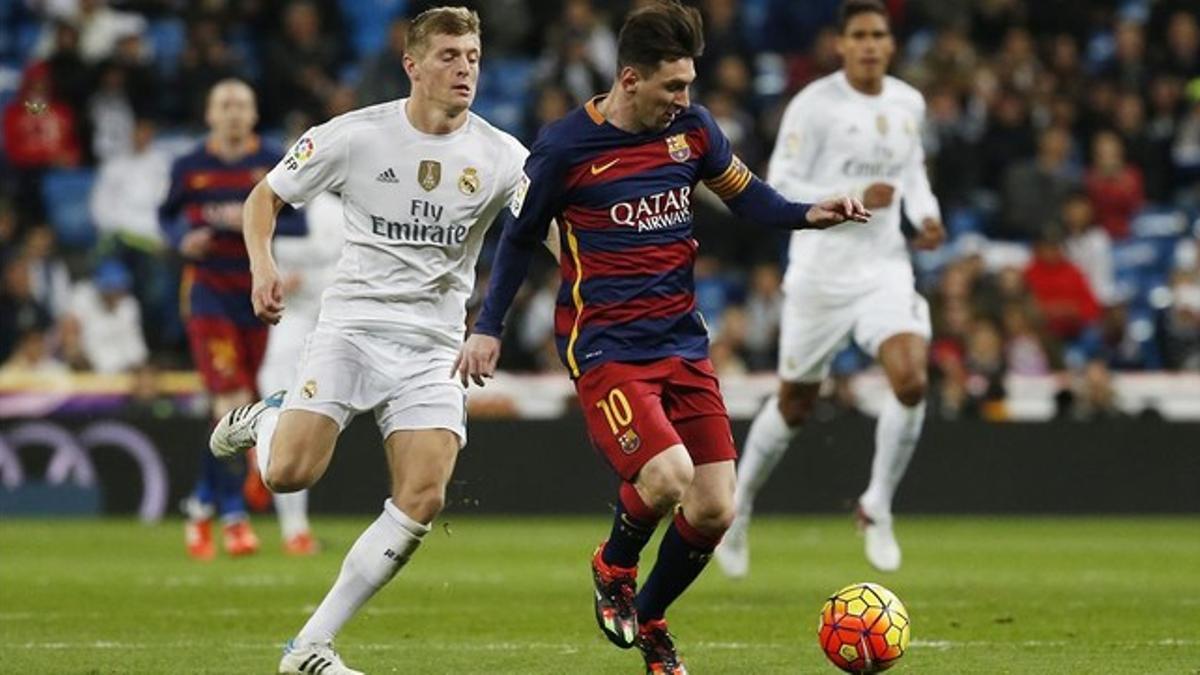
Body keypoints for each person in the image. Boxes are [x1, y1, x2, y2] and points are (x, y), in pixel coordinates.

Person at [454, 2, 868, 672]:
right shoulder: (564, 148)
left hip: (681, 342)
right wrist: (490, 326)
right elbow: (520, 239)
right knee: (669, 474)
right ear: (628, 80)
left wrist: (809, 213)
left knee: (714, 506)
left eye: (689, 84)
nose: (685, 98)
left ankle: (649, 618)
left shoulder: (694, 131)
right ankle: (613, 563)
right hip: (607, 348)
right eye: (672, 87)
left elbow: (748, 197)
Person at [207, 8, 553, 674]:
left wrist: (592, 281)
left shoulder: (503, 154)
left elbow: (546, 228)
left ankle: (310, 644)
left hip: (432, 346)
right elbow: (263, 198)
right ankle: (267, 419)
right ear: (413, 65)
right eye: (449, 55)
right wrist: (263, 265)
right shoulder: (354, 137)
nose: (465, 68)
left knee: (424, 496)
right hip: (353, 328)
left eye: (474, 56)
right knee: (287, 474)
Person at [714, 0, 946, 578]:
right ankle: (736, 510)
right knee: (795, 403)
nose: (869, 45)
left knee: (913, 378)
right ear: (840, 44)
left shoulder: (907, 102)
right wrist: (853, 194)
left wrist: (927, 214)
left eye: (879, 35)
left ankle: (877, 504)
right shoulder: (813, 106)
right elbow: (783, 183)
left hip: (884, 267)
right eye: (859, 36)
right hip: (820, 271)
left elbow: (911, 169)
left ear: (891, 44)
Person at [159, 79, 306, 561]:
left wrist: (280, 251)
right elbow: (167, 217)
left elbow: (297, 220)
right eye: (224, 104)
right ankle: (235, 518)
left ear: (255, 113)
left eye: (242, 104)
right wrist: (183, 237)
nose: (233, 113)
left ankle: (199, 506)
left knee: (232, 410)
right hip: (206, 295)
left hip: (255, 296)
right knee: (233, 400)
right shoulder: (189, 166)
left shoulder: (270, 161)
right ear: (208, 115)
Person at [255, 190, 345, 556]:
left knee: (314, 417)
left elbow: (349, 265)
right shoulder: (273, 205)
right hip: (291, 318)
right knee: (280, 406)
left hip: (333, 320)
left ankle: (261, 438)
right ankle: (295, 530)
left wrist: (303, 280)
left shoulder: (338, 211)